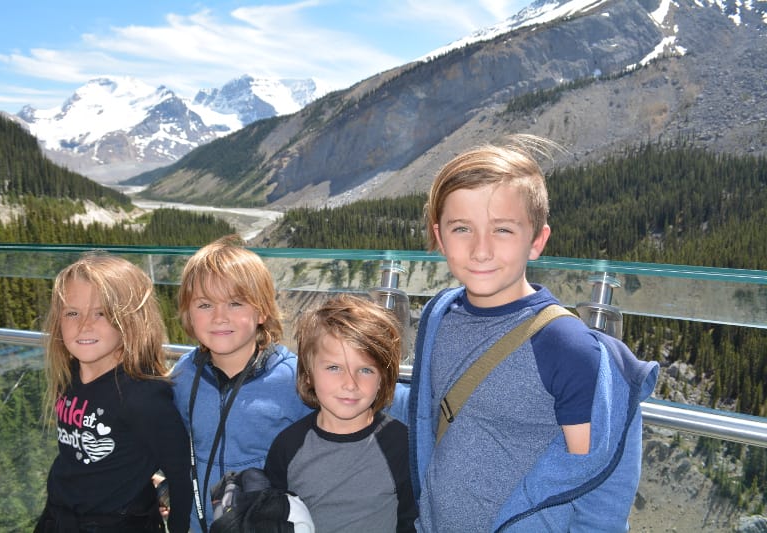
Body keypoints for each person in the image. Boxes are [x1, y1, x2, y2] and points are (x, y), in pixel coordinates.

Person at [407, 136, 660, 532]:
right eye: (462, 229)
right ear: (439, 238)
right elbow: (431, 411)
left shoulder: (564, 346)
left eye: (503, 230)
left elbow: (593, 481)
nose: (481, 249)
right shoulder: (440, 314)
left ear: (537, 240)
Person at [35, 253, 192, 533]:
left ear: (131, 320)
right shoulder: (69, 376)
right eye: (72, 312)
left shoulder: (144, 397)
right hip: (58, 517)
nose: (84, 324)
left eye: (102, 312)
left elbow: (181, 477)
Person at [170, 236, 312, 533]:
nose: (220, 317)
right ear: (188, 314)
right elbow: (176, 445)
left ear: (262, 312)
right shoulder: (183, 376)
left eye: (235, 303)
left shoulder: (293, 379)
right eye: (205, 304)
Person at [264, 293, 417, 533]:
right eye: (334, 367)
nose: (350, 383)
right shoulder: (287, 446)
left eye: (365, 370)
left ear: (382, 379)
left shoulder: (400, 444)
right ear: (308, 374)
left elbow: (411, 520)